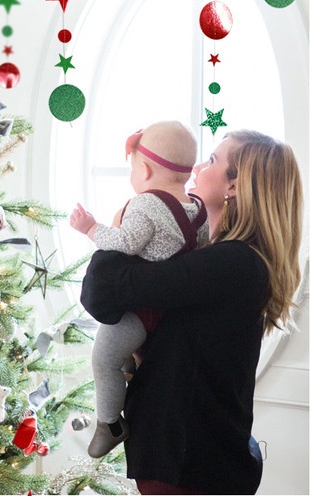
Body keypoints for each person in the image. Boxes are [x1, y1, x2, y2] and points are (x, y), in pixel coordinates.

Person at [80, 130, 303, 494]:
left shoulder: (231, 263)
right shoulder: (225, 261)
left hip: (191, 464)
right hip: (195, 457)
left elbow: (103, 289)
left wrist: (122, 222)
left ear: (235, 186)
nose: (197, 168)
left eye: (213, 160)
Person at [69, 121, 209, 458]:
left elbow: (126, 242)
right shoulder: (198, 210)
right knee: (123, 358)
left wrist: (90, 228)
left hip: (138, 311)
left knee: (103, 358)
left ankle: (110, 424)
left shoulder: (146, 205)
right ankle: (131, 369)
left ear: (144, 169)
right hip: (174, 312)